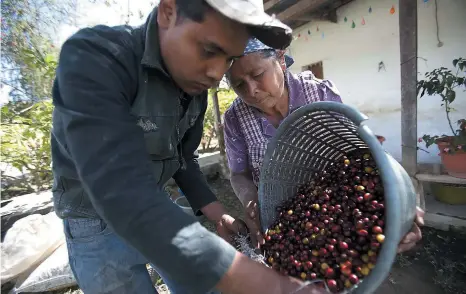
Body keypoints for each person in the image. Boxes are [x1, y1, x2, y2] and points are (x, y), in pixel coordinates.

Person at [51, 0, 327, 293]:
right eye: (210, 50)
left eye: (228, 58)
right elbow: (119, 189)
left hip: (154, 201)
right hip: (94, 220)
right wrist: (265, 283)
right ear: (169, 11)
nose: (217, 73)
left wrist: (218, 214)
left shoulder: (194, 88)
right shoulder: (97, 58)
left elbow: (183, 159)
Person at [223, 38, 425, 250]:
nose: (251, 90)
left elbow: (355, 154)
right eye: (238, 85)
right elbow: (239, 174)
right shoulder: (235, 118)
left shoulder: (319, 94)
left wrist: (397, 196)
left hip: (334, 207)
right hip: (279, 216)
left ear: (281, 60)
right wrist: (250, 199)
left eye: (257, 75)